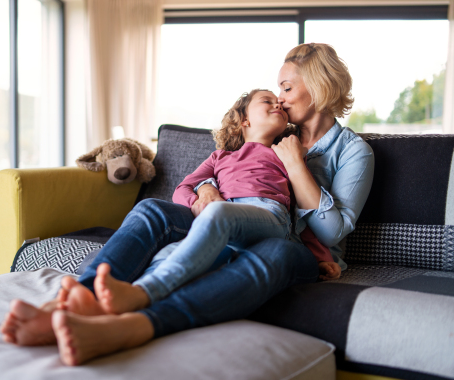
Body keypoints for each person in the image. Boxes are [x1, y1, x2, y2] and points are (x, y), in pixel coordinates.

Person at [0, 43, 374, 367]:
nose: (280, 97)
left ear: (320, 85)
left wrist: (295, 165)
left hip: (297, 248)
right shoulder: (273, 132)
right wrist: (205, 189)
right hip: (232, 220)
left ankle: (132, 326)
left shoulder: (353, 151)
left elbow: (331, 230)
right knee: (152, 211)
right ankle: (81, 297)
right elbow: (226, 166)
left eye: (287, 87)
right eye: (277, 91)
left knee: (274, 253)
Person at [91, 88, 336, 314]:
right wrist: (199, 200)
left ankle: (141, 293)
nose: (278, 104)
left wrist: (321, 255)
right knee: (171, 250)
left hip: (268, 217)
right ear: (245, 120)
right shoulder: (220, 157)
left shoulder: (285, 154)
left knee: (219, 215)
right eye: (267, 101)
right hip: (222, 227)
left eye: (278, 102)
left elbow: (301, 210)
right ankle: (104, 300)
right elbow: (183, 188)